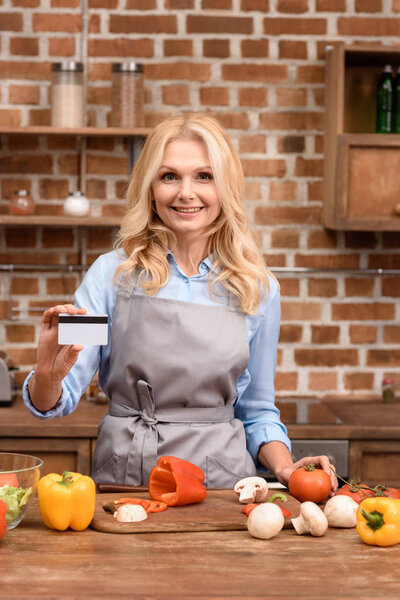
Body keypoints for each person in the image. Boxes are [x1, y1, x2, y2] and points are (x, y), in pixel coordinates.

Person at [23, 112, 338, 493]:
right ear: (150, 188)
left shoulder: (258, 289)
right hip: (127, 480)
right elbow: (55, 398)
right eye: (169, 176)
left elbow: (257, 410)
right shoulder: (109, 276)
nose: (186, 192)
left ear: (225, 187)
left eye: (204, 176)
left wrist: (287, 470)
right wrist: (46, 374)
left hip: (222, 487)